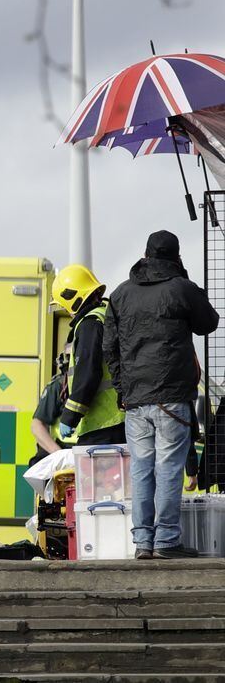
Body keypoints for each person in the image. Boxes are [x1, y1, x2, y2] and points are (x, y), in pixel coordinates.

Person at [103, 230, 219, 560]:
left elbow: (108, 347)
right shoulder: (181, 289)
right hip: (172, 399)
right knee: (168, 468)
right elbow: (208, 322)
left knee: (141, 469)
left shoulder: (121, 294)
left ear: (146, 255)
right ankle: (167, 540)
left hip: (136, 400)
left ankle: (142, 541)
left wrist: (123, 389)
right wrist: (184, 280)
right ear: (176, 256)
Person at [51, 265, 126, 446]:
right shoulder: (107, 314)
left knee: (91, 475)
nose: (68, 312)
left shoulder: (90, 324)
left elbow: (87, 372)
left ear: (72, 298)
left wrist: (70, 416)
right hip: (121, 420)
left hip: (103, 424)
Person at [28, 348, 75, 468]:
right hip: (64, 452)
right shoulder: (59, 386)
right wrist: (60, 456)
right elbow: (37, 425)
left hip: (88, 454)